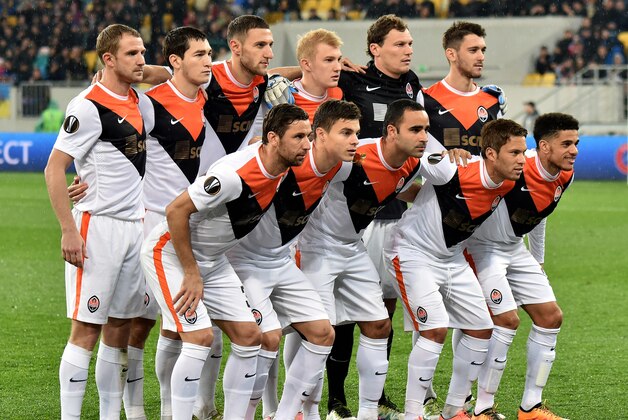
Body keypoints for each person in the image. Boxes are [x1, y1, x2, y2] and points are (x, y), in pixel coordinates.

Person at [69, 26, 215, 420]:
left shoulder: (179, 93)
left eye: (142, 53)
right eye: (198, 54)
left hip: (155, 224)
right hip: (127, 221)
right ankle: (129, 410)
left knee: (145, 324)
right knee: (118, 325)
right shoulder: (127, 103)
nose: (206, 61)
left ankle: (148, 411)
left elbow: (238, 67)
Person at [140, 103, 312, 420]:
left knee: (250, 338)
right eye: (299, 136)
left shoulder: (281, 163)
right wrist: (191, 272)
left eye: (309, 136)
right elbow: (176, 210)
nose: (307, 144)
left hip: (214, 260)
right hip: (170, 254)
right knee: (200, 338)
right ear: (273, 138)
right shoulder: (232, 177)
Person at [141, 16, 275, 419]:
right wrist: (87, 176)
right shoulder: (150, 101)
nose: (208, 63)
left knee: (204, 331)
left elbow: (269, 70)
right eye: (200, 55)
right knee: (157, 328)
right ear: (178, 61)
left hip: (202, 219)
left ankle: (204, 407)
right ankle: (160, 409)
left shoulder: (203, 97)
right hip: (157, 221)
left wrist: (305, 67)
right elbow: (123, 145)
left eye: (208, 54)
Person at [382, 119, 528, 420]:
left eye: (523, 152)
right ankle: (413, 414)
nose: (522, 160)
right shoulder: (452, 169)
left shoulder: (510, 182)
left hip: (453, 257)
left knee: (481, 328)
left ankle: (453, 410)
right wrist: (445, 154)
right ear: (490, 153)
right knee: (434, 329)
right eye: (514, 153)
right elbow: (412, 154)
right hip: (412, 252)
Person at [228, 99, 361, 420]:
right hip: (243, 261)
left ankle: (287, 415)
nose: (355, 140)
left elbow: (383, 150)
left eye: (356, 133)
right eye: (347, 133)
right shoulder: (282, 160)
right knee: (265, 338)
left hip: (280, 259)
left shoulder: (343, 163)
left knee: (321, 332)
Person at [296, 99, 429, 420]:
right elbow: (303, 167)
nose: (425, 136)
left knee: (379, 323)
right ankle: (304, 410)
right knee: (316, 333)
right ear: (393, 132)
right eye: (417, 129)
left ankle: (369, 412)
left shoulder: (413, 164)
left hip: (352, 247)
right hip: (316, 248)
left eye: (426, 129)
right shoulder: (358, 156)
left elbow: (398, 187)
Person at [44, 24, 147, 419]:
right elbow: (54, 169)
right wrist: (69, 230)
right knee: (86, 329)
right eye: (132, 54)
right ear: (108, 59)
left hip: (134, 228)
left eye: (142, 52)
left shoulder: (139, 100)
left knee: (118, 329)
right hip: (96, 227)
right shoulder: (87, 106)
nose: (141, 61)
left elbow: (164, 73)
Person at [465, 113, 578, 420]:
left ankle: (530, 406)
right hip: (483, 248)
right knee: (504, 321)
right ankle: (481, 408)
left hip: (515, 249)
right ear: (543, 146)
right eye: (566, 143)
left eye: (576, 143)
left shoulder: (565, 175)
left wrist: (538, 259)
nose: (574, 150)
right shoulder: (515, 168)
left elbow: (540, 215)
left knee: (551, 317)